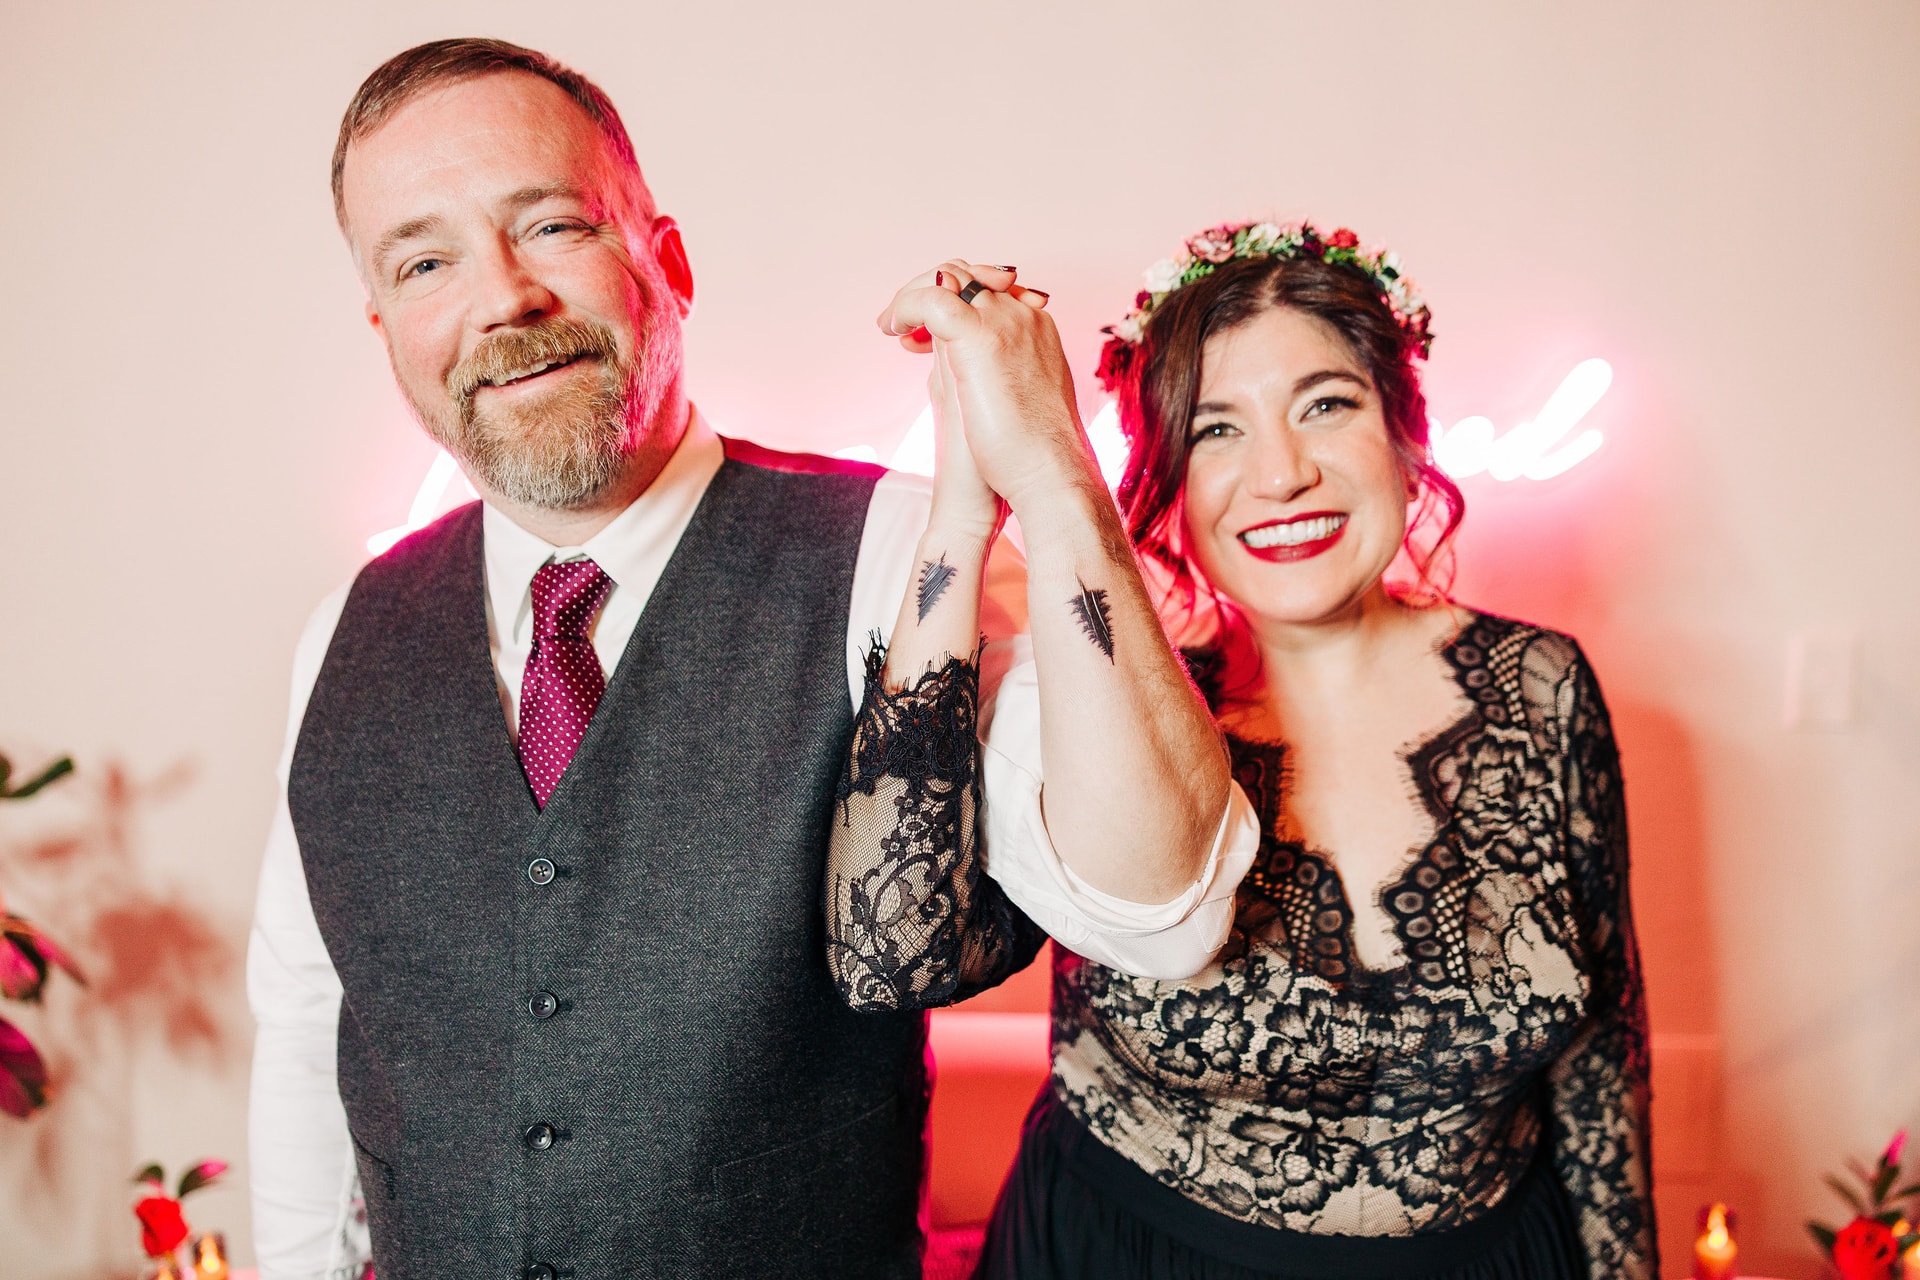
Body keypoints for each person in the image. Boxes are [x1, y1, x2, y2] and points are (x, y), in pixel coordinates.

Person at [245, 39, 1246, 1280]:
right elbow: (307, 1021)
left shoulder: (895, 553)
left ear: (665, 262)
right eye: (427, 260)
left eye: (551, 226)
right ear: (387, 321)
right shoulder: (347, 628)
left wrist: (1048, 468)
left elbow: (1160, 912)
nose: (503, 298)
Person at [865, 223, 1656, 1279]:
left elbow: (1604, 1047)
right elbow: (900, 948)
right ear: (1164, 485)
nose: (1281, 474)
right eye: (1213, 430)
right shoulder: (1101, 699)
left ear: (1404, 434)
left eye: (1327, 404)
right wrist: (969, 504)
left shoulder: (1544, 686)